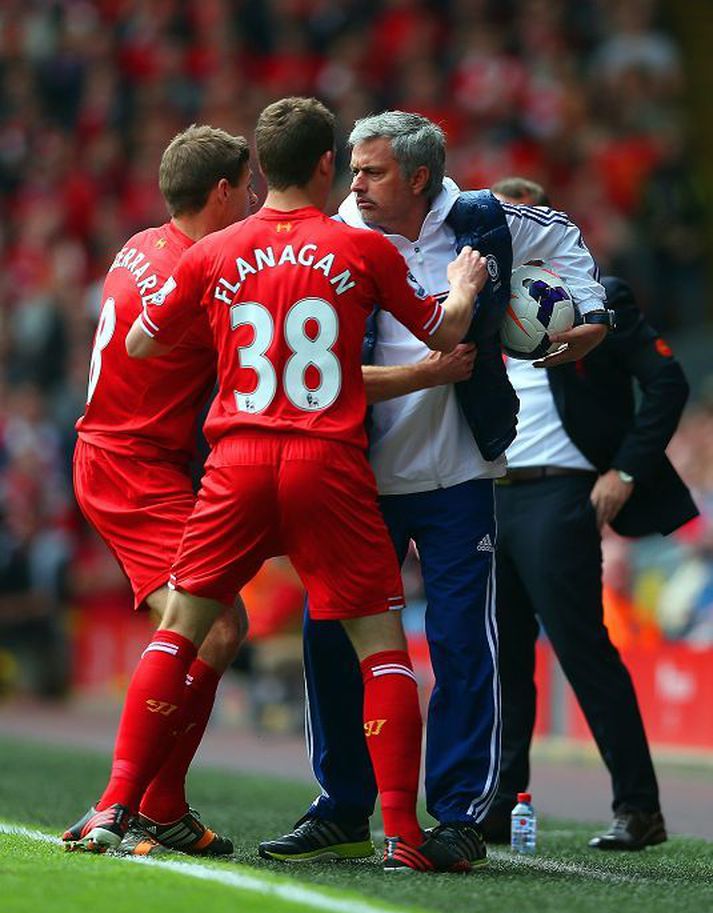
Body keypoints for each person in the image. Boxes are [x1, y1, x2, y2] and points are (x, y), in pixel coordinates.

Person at [69, 97, 491, 873]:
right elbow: (444, 330)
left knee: (185, 629)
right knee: (379, 647)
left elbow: (136, 337)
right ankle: (401, 832)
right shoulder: (360, 248)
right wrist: (463, 285)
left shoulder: (206, 252)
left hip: (232, 464)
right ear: (327, 165)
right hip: (326, 464)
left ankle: (116, 804)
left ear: (261, 172)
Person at [260, 111, 612, 865]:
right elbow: (321, 375)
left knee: (460, 644)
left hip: (459, 473)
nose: (354, 184)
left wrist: (592, 314)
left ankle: (455, 813)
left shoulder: (485, 216)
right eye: (352, 169)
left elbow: (567, 238)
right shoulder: (331, 238)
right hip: (355, 476)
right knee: (330, 639)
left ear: (419, 178)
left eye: (372, 171)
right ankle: (343, 803)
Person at [482, 176, 698, 849]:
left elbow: (667, 380)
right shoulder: (474, 303)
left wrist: (625, 470)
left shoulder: (595, 297)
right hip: (489, 494)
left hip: (559, 493)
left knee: (581, 651)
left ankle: (638, 807)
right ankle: (498, 805)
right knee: (503, 661)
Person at [63, 125, 255, 857]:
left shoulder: (142, 243)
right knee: (213, 626)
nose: (257, 200)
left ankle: (158, 802)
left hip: (122, 454)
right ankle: (130, 803)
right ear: (221, 193)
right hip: (131, 465)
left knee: (217, 624)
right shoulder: (202, 270)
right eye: (248, 188)